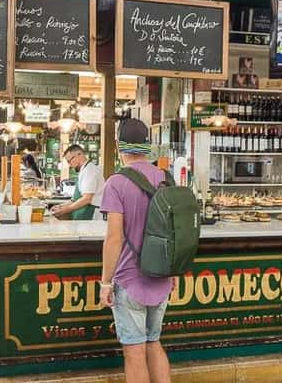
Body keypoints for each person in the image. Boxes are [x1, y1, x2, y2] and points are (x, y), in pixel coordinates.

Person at [99, 119, 172, 383]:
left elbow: (114, 238)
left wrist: (105, 283)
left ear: (119, 145)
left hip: (130, 280)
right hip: (162, 278)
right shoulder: (165, 178)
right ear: (147, 147)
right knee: (154, 342)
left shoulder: (116, 183)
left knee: (134, 352)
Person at [51, 144, 104, 220]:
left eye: (70, 161)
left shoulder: (90, 170)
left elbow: (87, 198)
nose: (69, 165)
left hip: (91, 216)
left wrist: (66, 209)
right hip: (83, 216)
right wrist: (61, 206)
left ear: (79, 154)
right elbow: (75, 199)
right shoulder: (84, 170)